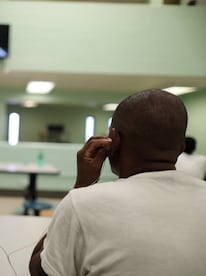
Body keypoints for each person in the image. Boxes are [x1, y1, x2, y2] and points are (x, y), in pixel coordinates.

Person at [29, 89, 206, 275]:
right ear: (181, 148)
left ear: (114, 140)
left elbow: (39, 271)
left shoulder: (83, 203)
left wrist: (82, 185)